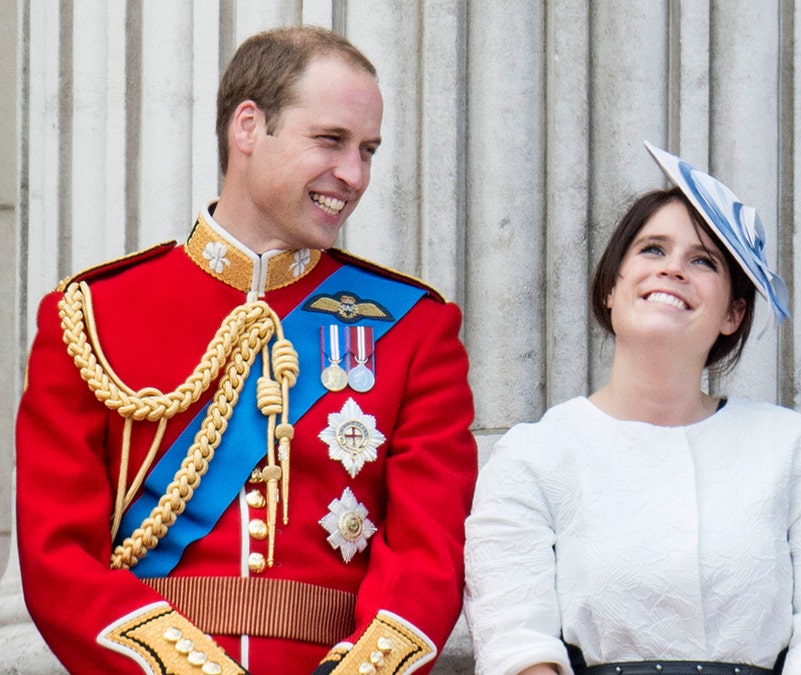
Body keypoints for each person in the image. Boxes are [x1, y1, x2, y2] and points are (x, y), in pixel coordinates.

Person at [15, 26, 476, 675]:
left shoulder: (413, 326)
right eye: (331, 140)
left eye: (368, 149)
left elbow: (428, 557)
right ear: (249, 127)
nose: (354, 174)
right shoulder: (92, 314)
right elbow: (56, 556)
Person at [463, 142, 801, 675]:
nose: (673, 269)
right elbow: (515, 640)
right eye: (652, 250)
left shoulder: (794, 447)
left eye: (703, 260)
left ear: (733, 313)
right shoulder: (533, 454)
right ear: (612, 286)